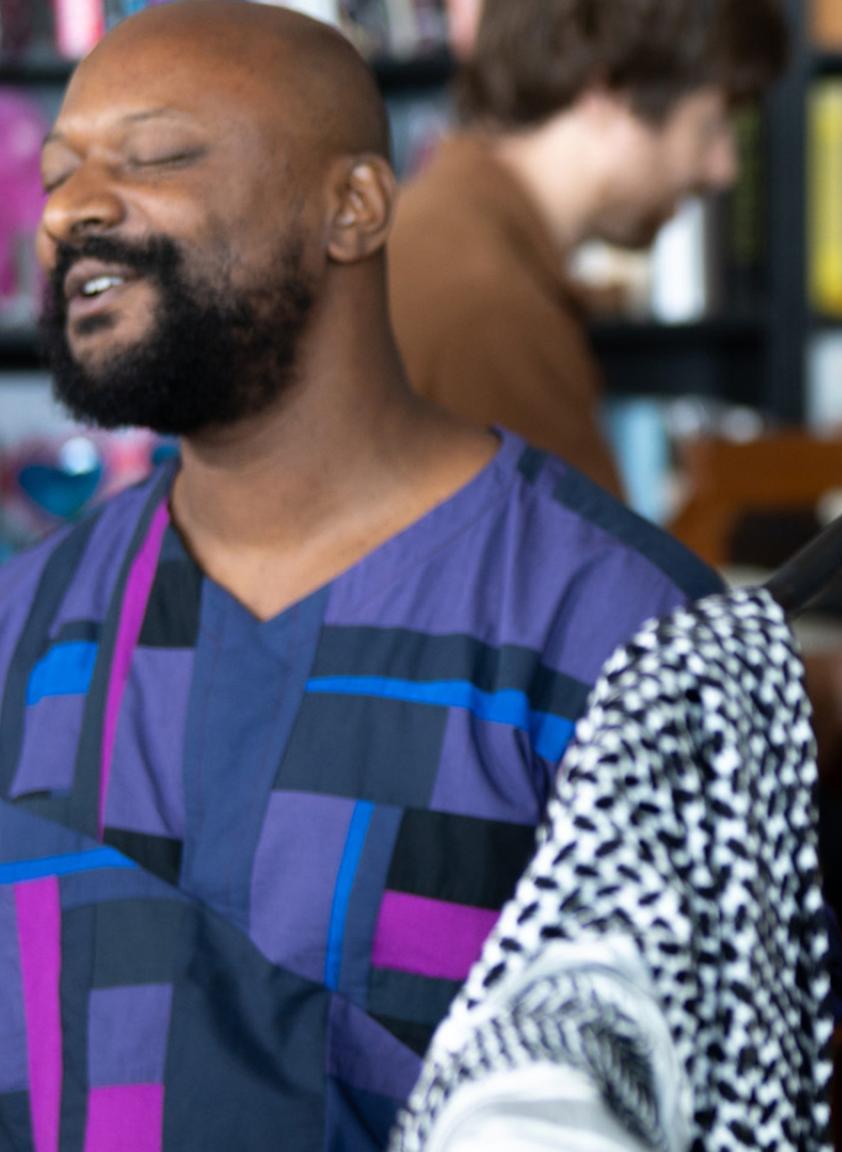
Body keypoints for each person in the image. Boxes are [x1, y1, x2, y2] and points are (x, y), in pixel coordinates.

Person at [0, 4, 721, 1147]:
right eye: (60, 172)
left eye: (157, 156)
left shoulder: (626, 632)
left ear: (352, 209)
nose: (71, 209)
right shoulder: (22, 629)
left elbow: (727, 1098)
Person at [388, 0, 842, 749]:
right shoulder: (488, 308)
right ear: (607, 93)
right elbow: (626, 690)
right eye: (711, 123)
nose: (723, 167)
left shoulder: (439, 238)